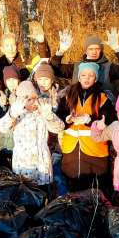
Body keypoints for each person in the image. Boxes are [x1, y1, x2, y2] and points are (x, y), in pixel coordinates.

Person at [57, 62, 115, 192]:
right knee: (73, 189)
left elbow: (108, 120)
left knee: (95, 189)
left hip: (95, 150)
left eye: (91, 75)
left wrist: (89, 120)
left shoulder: (103, 97)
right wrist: (68, 119)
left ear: (96, 78)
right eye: (83, 75)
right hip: (71, 150)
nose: (87, 78)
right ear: (78, 77)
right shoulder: (67, 95)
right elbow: (59, 117)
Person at [0, 81, 64, 187]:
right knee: (25, 197)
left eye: (34, 98)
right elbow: (2, 127)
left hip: (42, 166)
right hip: (22, 166)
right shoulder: (16, 114)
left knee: (43, 196)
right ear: (21, 100)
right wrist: (12, 114)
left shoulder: (42, 112)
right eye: (28, 99)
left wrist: (49, 116)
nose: (33, 102)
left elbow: (59, 127)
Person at [49, 28, 119, 98]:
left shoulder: (109, 67)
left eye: (97, 49)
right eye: (90, 49)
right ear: (86, 50)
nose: (94, 52)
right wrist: (61, 51)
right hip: (79, 110)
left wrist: (117, 49)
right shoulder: (76, 67)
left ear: (101, 50)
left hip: (104, 110)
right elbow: (54, 69)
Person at [32, 62, 67, 196]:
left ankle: (62, 206)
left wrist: (58, 148)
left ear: (52, 80)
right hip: (38, 147)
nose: (43, 82)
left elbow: (63, 123)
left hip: (56, 145)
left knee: (58, 179)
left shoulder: (60, 97)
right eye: (40, 79)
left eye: (46, 79)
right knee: (40, 182)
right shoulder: (32, 96)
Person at [0, 65, 20, 168]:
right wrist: (2, 106)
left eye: (14, 79)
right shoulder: (3, 96)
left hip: (20, 145)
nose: (11, 83)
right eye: (8, 80)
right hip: (5, 143)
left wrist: (16, 105)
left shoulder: (24, 95)